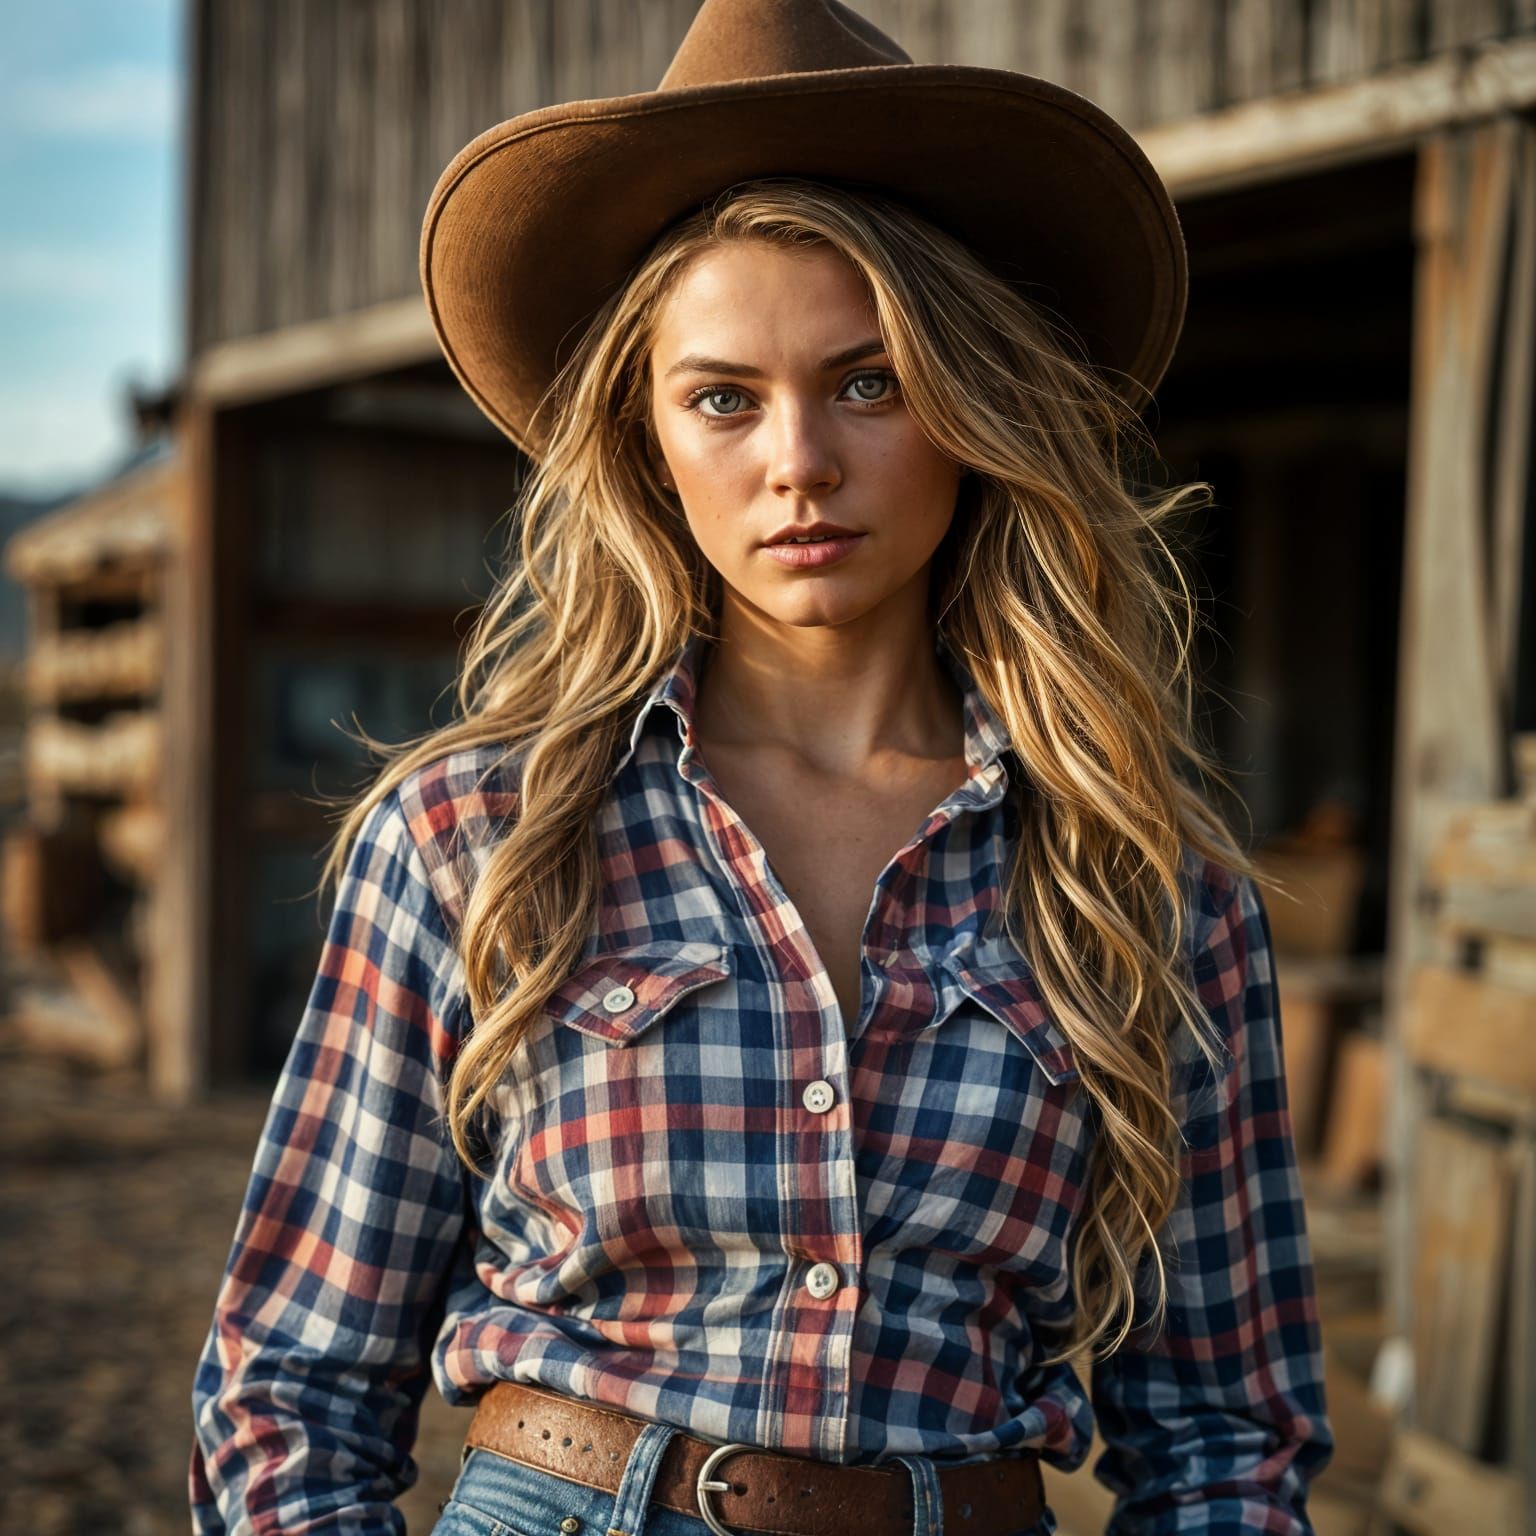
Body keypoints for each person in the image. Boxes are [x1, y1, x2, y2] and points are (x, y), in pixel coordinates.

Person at [189, 3, 1334, 1534]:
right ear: (647, 439)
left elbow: (1226, 1440)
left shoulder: (1151, 886)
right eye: (723, 396)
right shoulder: (476, 834)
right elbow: (292, 1385)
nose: (798, 459)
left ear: (975, 407)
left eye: (870, 381)